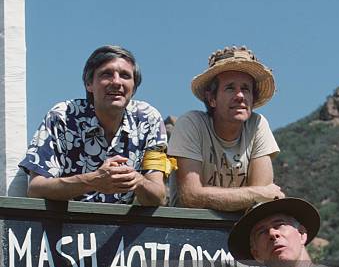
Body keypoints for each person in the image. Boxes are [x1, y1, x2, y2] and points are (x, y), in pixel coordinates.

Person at [19, 45, 169, 205]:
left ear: (134, 88)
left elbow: (158, 197)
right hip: (64, 225)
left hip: (122, 227)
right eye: (107, 74)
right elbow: (35, 189)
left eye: (125, 75)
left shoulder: (148, 119)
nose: (117, 82)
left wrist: (138, 181)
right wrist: (92, 180)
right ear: (89, 84)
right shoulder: (62, 116)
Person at [168, 46, 284, 210]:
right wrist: (254, 194)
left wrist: (259, 194)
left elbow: (262, 203)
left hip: (241, 230)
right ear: (211, 99)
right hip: (191, 229)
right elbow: (190, 196)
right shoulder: (192, 123)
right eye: (230, 88)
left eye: (245, 89)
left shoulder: (257, 125)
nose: (240, 96)